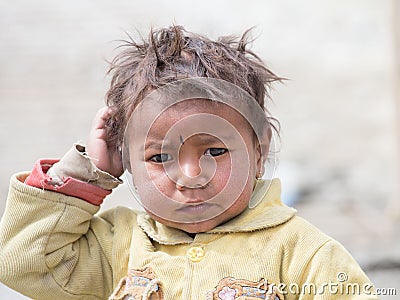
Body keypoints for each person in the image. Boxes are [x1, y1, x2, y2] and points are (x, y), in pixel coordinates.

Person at [0, 25, 377, 300]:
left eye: (214, 151)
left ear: (259, 153)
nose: (191, 176)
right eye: (160, 156)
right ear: (127, 161)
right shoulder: (119, 245)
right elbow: (24, 263)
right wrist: (89, 176)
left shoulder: (302, 252)